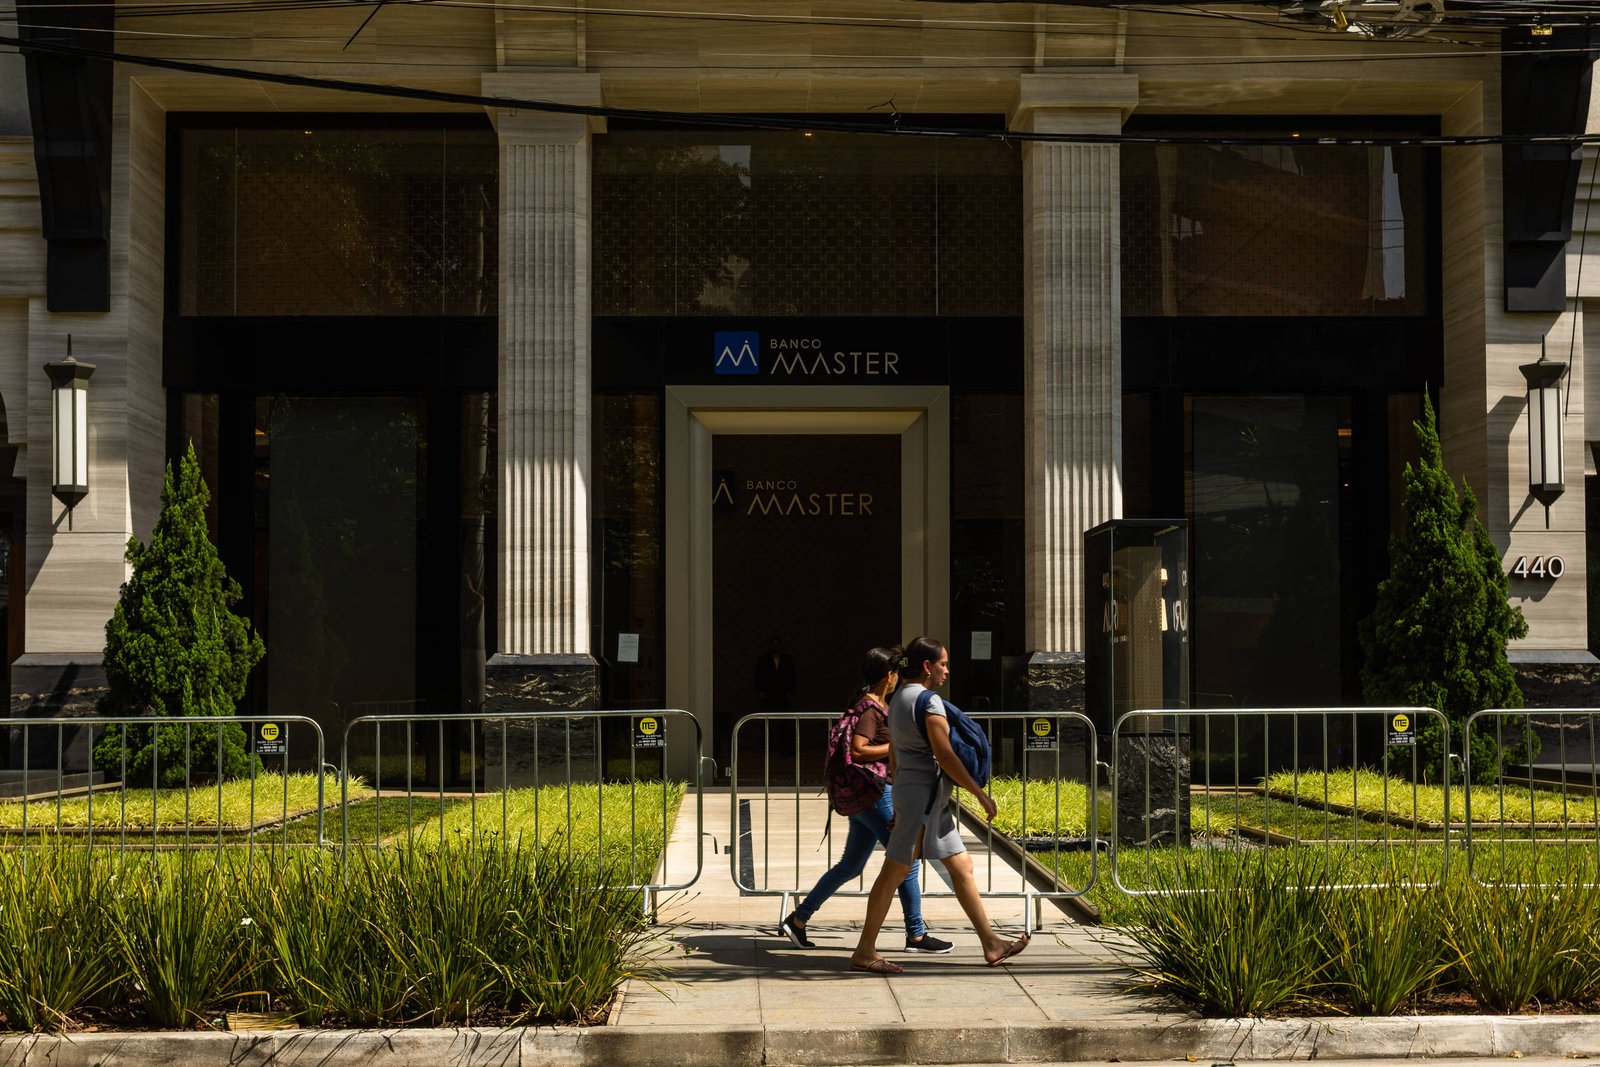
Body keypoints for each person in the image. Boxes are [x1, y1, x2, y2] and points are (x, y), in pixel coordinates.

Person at [849, 636, 1029, 974]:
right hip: (923, 800)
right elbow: (945, 755)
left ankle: (991, 943)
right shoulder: (928, 702)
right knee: (894, 872)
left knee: (961, 868)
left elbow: (897, 753)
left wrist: (900, 798)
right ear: (928, 666)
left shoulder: (899, 697)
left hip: (917, 797)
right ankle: (864, 950)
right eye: (943, 664)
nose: (947, 671)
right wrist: (979, 793)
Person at [778, 647, 952, 955]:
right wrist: (893, 745)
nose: (899, 680)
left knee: (850, 865)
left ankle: (798, 920)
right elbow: (857, 750)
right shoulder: (870, 710)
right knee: (905, 860)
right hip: (874, 794)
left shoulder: (869, 704)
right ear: (889, 676)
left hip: (864, 797)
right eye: (897, 674)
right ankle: (916, 934)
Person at [754, 636, 796, 712]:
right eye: (773, 643)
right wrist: (761, 691)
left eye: (777, 643)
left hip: (783, 693)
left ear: (780, 645)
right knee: (768, 717)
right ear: (770, 645)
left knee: (783, 718)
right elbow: (759, 675)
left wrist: (790, 691)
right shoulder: (763, 659)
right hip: (768, 693)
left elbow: (792, 676)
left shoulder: (787, 659)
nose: (775, 645)